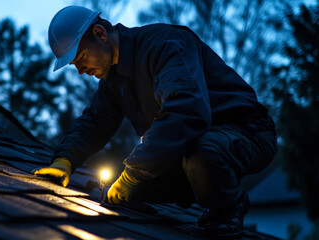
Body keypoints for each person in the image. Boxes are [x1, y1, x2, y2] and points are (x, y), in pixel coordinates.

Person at [32, 5, 277, 238]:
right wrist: (65, 160)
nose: (80, 70)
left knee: (200, 153)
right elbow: (96, 120)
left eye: (80, 57)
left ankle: (228, 207)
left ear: (100, 33)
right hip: (189, 144)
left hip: (247, 131)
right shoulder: (113, 80)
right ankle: (204, 185)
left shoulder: (165, 45)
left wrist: (135, 172)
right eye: (74, 65)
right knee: (123, 190)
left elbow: (186, 111)